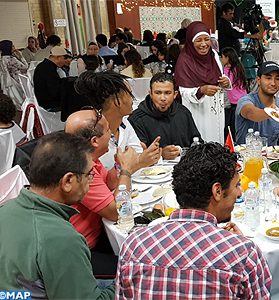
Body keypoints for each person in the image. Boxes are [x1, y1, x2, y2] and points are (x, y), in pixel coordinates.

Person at [116, 142, 272, 298]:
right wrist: (237, 246)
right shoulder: (244, 255)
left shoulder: (133, 246)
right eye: (236, 185)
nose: (240, 193)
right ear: (217, 191)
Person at [0, 132, 115, 299]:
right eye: (89, 174)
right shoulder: (60, 238)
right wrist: (128, 283)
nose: (91, 181)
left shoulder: (5, 209)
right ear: (68, 181)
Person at [65, 108, 143, 275]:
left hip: (100, 232)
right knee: (139, 265)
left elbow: (108, 183)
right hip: (83, 251)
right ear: (94, 141)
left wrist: (119, 164)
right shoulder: (80, 171)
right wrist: (127, 170)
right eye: (108, 130)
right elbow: (116, 212)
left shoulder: (87, 157)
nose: (112, 135)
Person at [74, 71, 160, 170]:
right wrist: (139, 162)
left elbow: (137, 153)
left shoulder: (124, 123)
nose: (133, 100)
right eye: (130, 94)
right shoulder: (93, 133)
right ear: (117, 101)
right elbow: (102, 175)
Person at [175, 21, 231, 143]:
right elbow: (183, 91)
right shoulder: (184, 61)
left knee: (217, 142)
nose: (204, 44)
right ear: (190, 41)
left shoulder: (214, 55)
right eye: (198, 40)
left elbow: (220, 77)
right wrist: (201, 90)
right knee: (201, 144)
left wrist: (225, 82)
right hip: (197, 112)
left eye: (207, 39)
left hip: (215, 110)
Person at [129, 73, 201, 158]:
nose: (163, 98)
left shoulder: (183, 113)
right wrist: (161, 154)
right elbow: (136, 155)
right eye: (158, 93)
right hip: (151, 169)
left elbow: (197, 143)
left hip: (185, 167)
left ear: (175, 94)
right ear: (150, 94)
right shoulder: (137, 119)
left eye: (167, 93)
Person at [235, 61, 279, 145]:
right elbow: (250, 113)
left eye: (277, 78)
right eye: (268, 78)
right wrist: (271, 112)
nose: (273, 83)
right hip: (246, 156)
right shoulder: (246, 100)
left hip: (273, 156)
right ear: (258, 80)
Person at [221, 47, 247, 138]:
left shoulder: (229, 70)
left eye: (223, 57)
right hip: (242, 99)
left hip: (235, 102)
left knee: (232, 127)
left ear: (227, 58)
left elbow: (227, 83)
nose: (221, 59)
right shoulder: (238, 67)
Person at [33, 45, 67, 111]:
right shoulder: (48, 69)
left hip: (44, 102)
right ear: (58, 58)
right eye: (64, 58)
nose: (65, 61)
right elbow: (55, 92)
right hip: (50, 104)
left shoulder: (43, 65)